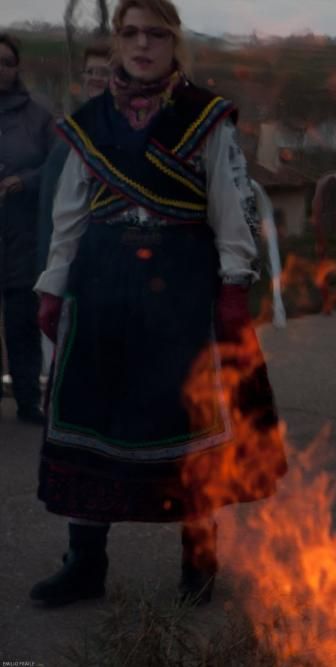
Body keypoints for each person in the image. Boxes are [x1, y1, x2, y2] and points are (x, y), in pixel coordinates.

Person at [29, 0, 286, 607]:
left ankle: (199, 562)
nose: (143, 45)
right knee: (94, 419)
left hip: (180, 292)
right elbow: (69, 217)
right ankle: (84, 563)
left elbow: (230, 209)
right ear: (116, 41)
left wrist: (232, 285)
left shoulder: (208, 119)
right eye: (131, 33)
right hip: (102, 290)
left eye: (156, 34)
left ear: (174, 42)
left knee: (188, 423)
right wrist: (51, 282)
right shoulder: (89, 122)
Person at [0, 33, 55, 424]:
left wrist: (24, 181)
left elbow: (54, 167)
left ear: (16, 68)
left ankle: (27, 400)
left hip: (21, 232)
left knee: (22, 321)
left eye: (5, 61)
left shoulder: (38, 116)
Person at [37, 42, 112, 296]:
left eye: (104, 72)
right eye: (90, 72)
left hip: (97, 264)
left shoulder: (119, 136)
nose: (95, 78)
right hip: (58, 254)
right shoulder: (70, 130)